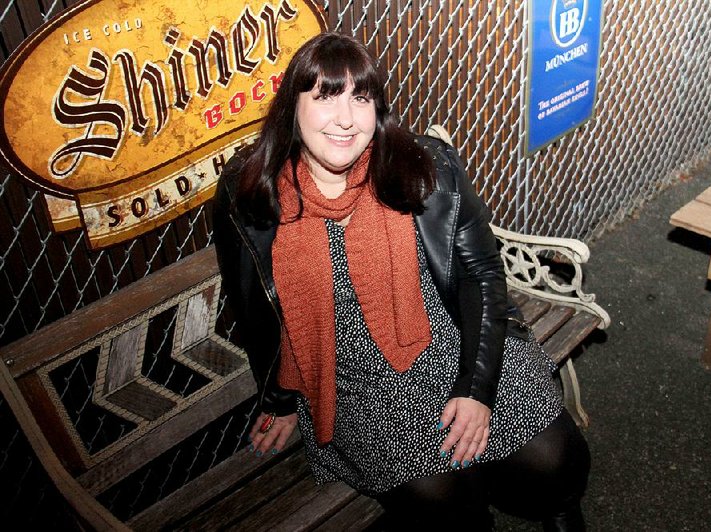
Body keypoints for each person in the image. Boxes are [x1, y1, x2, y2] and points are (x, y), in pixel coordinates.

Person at [213, 32, 590, 531]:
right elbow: (254, 309)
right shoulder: (252, 190)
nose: (346, 118)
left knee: (556, 458)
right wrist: (281, 400)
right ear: (293, 106)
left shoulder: (422, 166)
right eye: (325, 96)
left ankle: (558, 511)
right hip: (355, 381)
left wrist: (476, 390)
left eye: (361, 98)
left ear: (377, 109)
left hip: (451, 344)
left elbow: (481, 276)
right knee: (443, 497)